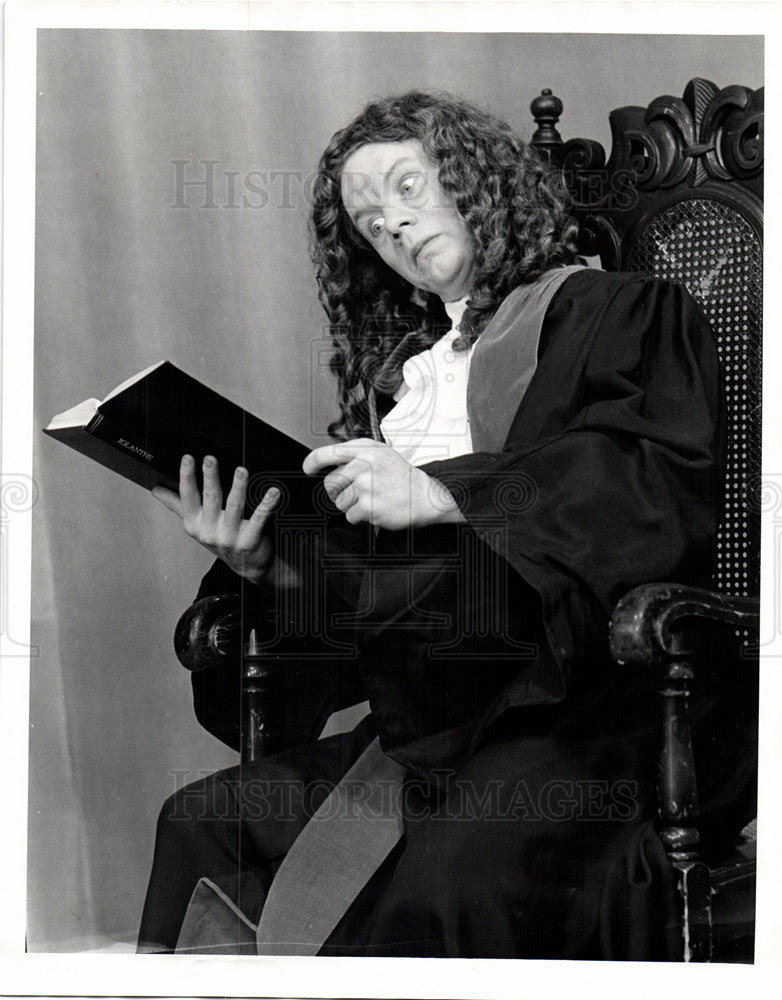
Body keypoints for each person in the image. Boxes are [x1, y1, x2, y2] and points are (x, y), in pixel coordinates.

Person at [138, 91, 756, 958]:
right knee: (202, 819)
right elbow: (377, 607)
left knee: (450, 878)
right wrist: (262, 567)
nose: (391, 223)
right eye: (368, 220)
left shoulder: (622, 313)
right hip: (431, 727)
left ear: (477, 180)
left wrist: (447, 494)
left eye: (407, 186)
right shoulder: (403, 387)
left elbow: (644, 487)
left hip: (587, 712)